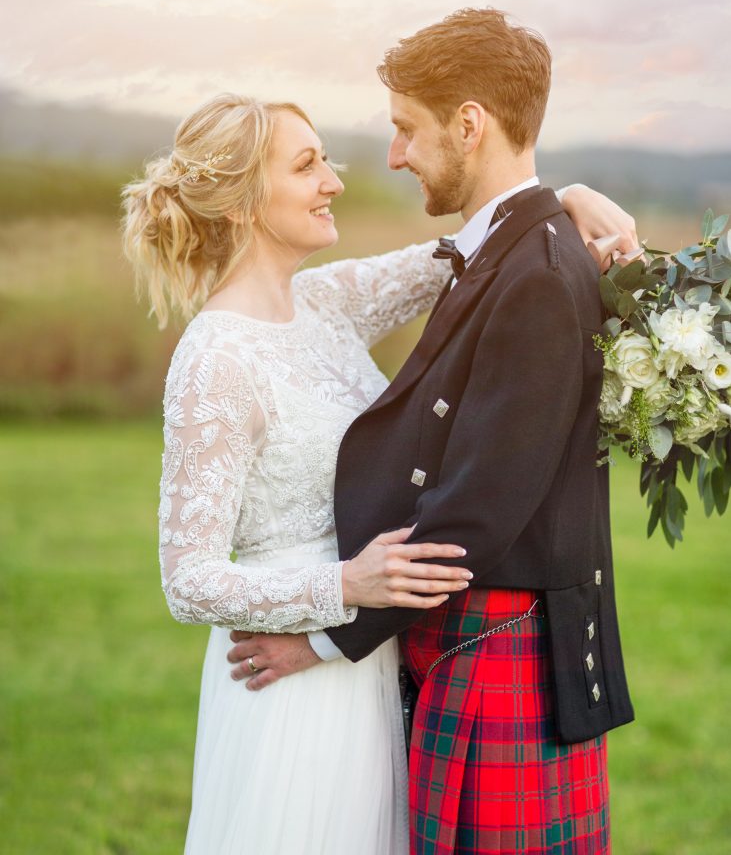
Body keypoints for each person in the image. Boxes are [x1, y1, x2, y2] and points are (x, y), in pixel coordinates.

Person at [123, 84, 634, 852]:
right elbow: (188, 579)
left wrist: (566, 196)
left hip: (376, 661)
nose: (334, 180)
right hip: (291, 683)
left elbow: (489, 244)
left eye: (325, 160)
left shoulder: (325, 302)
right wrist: (344, 587)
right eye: (306, 166)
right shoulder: (215, 359)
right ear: (239, 202)